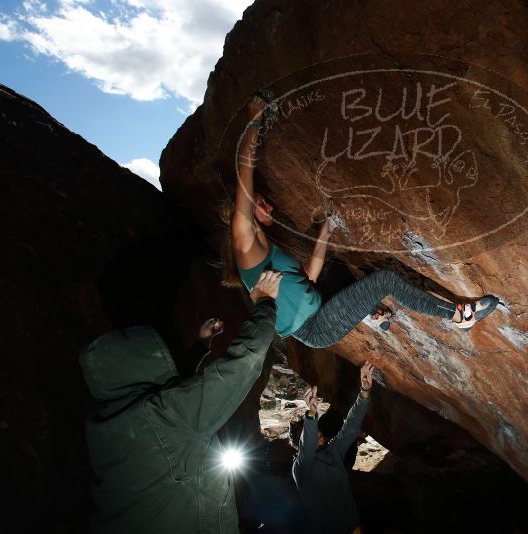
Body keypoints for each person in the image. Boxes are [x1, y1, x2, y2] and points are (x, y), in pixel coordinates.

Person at [220, 95, 499, 349]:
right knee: (384, 281)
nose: (269, 206)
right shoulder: (245, 245)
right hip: (317, 326)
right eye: (259, 202)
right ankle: (459, 315)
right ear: (241, 211)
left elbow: (309, 277)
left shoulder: (263, 249)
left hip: (321, 300)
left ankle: (371, 314)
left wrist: (325, 233)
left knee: (335, 268)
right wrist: (254, 120)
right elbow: (245, 172)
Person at [80, 271, 282, 534]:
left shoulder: (105, 426)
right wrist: (264, 304)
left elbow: (166, 400)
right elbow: (241, 365)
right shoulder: (162, 418)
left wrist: (200, 348)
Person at [289, 362, 376, 534]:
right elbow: (306, 448)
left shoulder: (332, 452)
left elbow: (350, 427)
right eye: (314, 434)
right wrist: (312, 415)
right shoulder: (301, 468)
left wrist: (364, 392)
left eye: (319, 434)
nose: (319, 437)